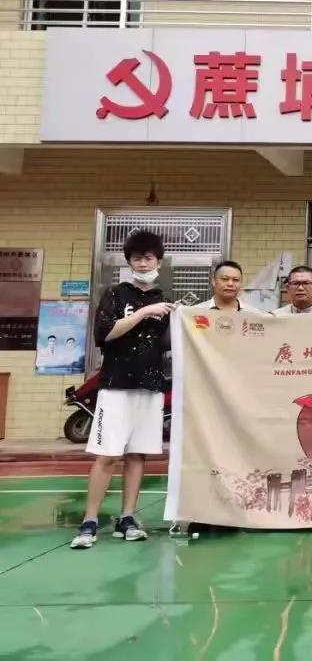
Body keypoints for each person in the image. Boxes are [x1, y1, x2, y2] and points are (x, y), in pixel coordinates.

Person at [71, 230, 175, 549]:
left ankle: (127, 517)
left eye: (149, 258)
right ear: (129, 262)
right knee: (107, 455)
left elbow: (168, 344)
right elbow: (103, 334)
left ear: (159, 262)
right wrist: (143, 313)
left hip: (150, 387)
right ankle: (90, 520)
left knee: (137, 455)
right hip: (116, 385)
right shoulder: (115, 295)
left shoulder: (164, 298)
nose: (143, 264)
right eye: (137, 259)